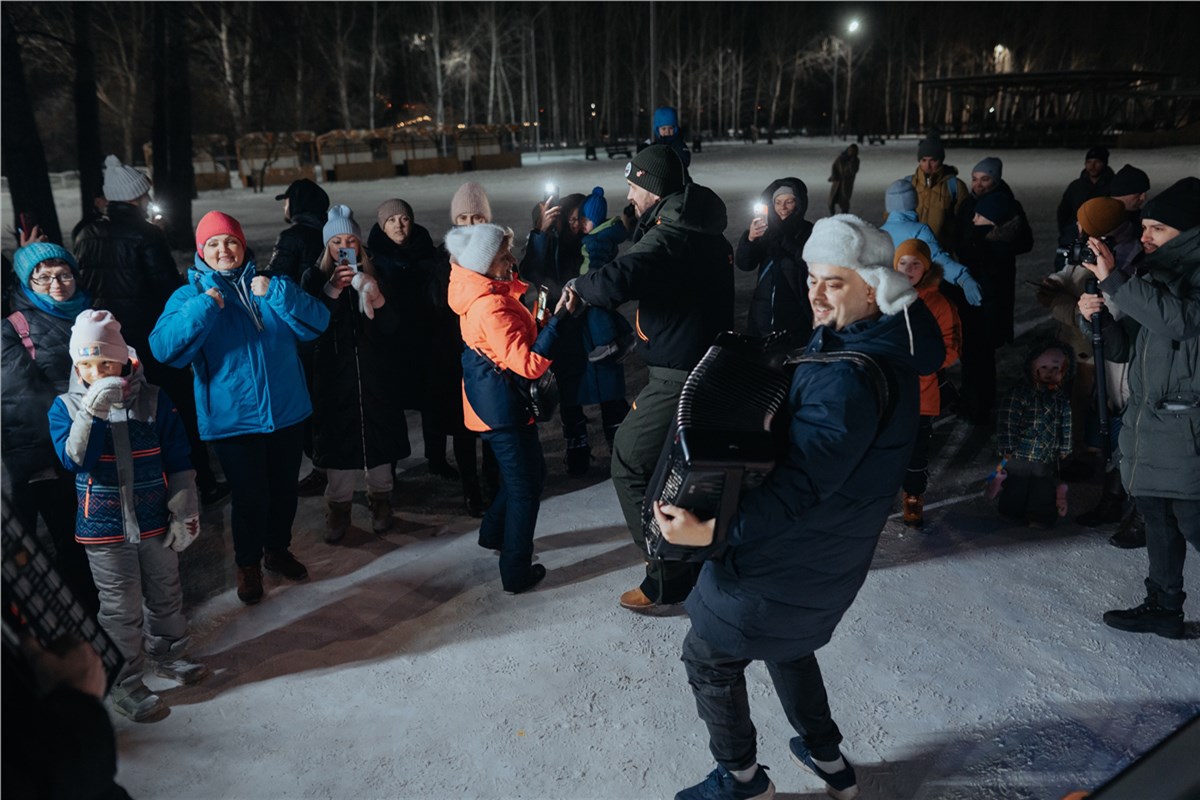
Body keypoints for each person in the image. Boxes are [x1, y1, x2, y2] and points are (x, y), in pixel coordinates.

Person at [656, 214, 944, 800]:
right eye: (812, 277)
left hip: (779, 564)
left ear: (873, 287)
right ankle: (828, 758)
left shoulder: (849, 380)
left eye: (832, 283)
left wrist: (710, 529)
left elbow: (801, 488)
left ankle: (741, 780)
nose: (814, 294)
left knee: (708, 659)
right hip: (823, 563)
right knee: (790, 646)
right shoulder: (874, 343)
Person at [570, 144, 734, 612]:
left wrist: (579, 287)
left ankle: (667, 573)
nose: (629, 193)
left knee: (630, 460)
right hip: (702, 364)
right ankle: (696, 559)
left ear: (652, 187)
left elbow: (621, 277)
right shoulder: (697, 226)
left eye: (633, 184)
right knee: (681, 470)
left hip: (679, 374)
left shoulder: (672, 234)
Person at [149, 212, 330, 605]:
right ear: (201, 252)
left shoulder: (272, 284)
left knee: (284, 492)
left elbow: (318, 323)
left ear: (242, 244)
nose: (223, 250)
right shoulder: (188, 296)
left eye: (229, 241)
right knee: (251, 498)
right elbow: (164, 349)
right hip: (233, 419)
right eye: (213, 244)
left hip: (286, 411)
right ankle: (247, 564)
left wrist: (279, 295)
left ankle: (277, 550)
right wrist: (205, 307)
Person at [47, 310, 209, 721]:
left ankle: (169, 653)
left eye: (105, 363)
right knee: (120, 608)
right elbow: (75, 461)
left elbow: (178, 456)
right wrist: (92, 413)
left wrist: (185, 504)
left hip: (155, 518)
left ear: (124, 359)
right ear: (75, 364)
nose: (95, 372)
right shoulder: (65, 406)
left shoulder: (153, 399)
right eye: (85, 364)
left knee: (166, 590)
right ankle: (126, 679)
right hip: (103, 528)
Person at [1077, 177, 1200, 639]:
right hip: (1153, 422)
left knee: (1192, 521)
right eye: (1145, 227)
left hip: (1189, 427)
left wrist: (1115, 279)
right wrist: (1102, 319)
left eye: (1157, 229)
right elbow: (1128, 346)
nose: (1145, 236)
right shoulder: (1156, 273)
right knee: (1157, 518)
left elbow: (1182, 322)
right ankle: (1163, 607)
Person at [73, 154, 228, 507]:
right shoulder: (146, 234)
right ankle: (201, 480)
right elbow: (166, 290)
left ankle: (142, 488)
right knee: (177, 408)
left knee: (125, 411)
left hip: (108, 342)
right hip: (149, 337)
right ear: (138, 196)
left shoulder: (86, 233)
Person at [446, 223, 578, 593]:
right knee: (524, 489)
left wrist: (541, 323)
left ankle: (492, 533)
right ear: (485, 263)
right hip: (500, 408)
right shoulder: (490, 305)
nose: (510, 259)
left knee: (529, 475)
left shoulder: (486, 292)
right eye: (503, 255)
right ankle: (515, 571)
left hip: (497, 402)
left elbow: (513, 346)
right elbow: (529, 364)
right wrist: (561, 323)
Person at [2, 243, 100, 615]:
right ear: (28, 283)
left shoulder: (91, 313)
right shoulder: (13, 329)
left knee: (96, 537)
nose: (56, 284)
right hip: (46, 453)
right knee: (70, 539)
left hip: (94, 443)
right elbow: (19, 399)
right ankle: (85, 622)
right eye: (42, 278)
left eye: (63, 274)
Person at [302, 205, 408, 541]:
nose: (344, 247)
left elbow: (394, 328)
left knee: (378, 442)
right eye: (336, 241)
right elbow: (309, 329)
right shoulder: (314, 278)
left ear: (359, 244)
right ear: (327, 247)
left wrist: (376, 298)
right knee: (338, 447)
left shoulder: (377, 274)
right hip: (334, 379)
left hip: (375, 376)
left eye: (350, 240)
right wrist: (331, 292)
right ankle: (339, 508)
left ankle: (381, 500)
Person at [520, 190, 630, 476]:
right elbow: (529, 270)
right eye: (569, 218)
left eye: (578, 218)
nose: (574, 224)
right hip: (564, 327)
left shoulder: (596, 243)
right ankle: (577, 452)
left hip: (596, 330)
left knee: (611, 392)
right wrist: (540, 232)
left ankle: (620, 453)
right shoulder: (552, 243)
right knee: (570, 395)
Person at [1038, 197, 1141, 478]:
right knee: (1078, 400)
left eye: (1082, 222)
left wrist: (1060, 305)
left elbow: (1105, 312)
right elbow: (1069, 271)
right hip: (1077, 340)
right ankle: (1083, 454)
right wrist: (1055, 282)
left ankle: (1094, 460)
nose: (1077, 226)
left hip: (1097, 350)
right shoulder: (1089, 248)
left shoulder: (1120, 259)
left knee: (1092, 403)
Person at [368, 198, 463, 482]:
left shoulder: (427, 251)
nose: (399, 225)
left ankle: (436, 458)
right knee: (392, 408)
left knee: (432, 403)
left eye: (404, 219)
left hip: (426, 339)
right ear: (382, 226)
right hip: (391, 344)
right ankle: (390, 468)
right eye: (392, 220)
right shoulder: (373, 258)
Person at [893, 239, 961, 528]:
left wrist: (923, 363)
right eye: (903, 263)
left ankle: (913, 495)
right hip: (888, 391)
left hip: (921, 392)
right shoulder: (883, 296)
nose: (909, 269)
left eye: (916, 263)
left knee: (916, 450)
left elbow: (952, 348)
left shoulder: (939, 303)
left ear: (927, 268)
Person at [444, 182, 502, 514]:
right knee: (463, 428)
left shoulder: (497, 250)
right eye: (463, 217)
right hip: (455, 353)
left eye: (477, 217)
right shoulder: (447, 255)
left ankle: (492, 482)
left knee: (492, 423)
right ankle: (471, 489)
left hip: (491, 354)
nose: (470, 224)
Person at [955, 189, 1022, 426]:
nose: (973, 219)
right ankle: (979, 403)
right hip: (986, 316)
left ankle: (977, 407)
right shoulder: (996, 242)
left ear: (992, 219)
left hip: (981, 316)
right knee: (981, 362)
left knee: (977, 362)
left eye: (979, 216)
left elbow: (987, 286)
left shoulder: (987, 246)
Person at [995, 340, 1074, 527]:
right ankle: (1010, 512)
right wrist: (1007, 445)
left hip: (1046, 454)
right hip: (1019, 452)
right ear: (1033, 367)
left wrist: (1065, 447)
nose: (1049, 372)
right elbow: (1008, 418)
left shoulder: (1061, 398)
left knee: (1043, 487)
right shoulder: (1020, 392)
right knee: (1016, 485)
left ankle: (1039, 516)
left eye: (1055, 367)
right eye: (1044, 367)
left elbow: (1066, 424)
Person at [881, 179, 983, 306]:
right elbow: (937, 257)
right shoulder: (919, 230)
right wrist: (963, 278)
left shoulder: (879, 233)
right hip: (916, 297)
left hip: (887, 299)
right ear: (914, 201)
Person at [735, 178, 814, 335]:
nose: (782, 208)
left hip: (797, 307)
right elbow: (745, 264)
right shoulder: (764, 230)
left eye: (789, 202)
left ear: (799, 203)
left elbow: (810, 264)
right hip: (763, 308)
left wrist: (784, 241)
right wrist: (750, 239)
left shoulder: (808, 231)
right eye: (777, 202)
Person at [956, 157, 1035, 258]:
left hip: (999, 269)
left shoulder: (1009, 205)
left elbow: (1025, 242)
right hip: (969, 268)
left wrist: (996, 245)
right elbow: (958, 236)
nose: (978, 184)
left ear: (996, 180)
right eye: (974, 179)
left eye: (985, 179)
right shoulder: (967, 204)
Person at [1055, 146, 1115, 267]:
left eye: (1097, 162)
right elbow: (1063, 212)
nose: (1092, 166)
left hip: (1100, 238)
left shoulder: (1113, 186)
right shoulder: (1076, 186)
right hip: (1073, 236)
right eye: (1089, 162)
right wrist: (1067, 231)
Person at [909, 135, 969, 252]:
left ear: (941, 160)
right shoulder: (909, 184)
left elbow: (964, 222)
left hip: (943, 251)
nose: (928, 165)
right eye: (924, 160)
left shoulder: (956, 187)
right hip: (913, 251)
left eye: (933, 160)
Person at [266, 178, 330, 283]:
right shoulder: (333, 231)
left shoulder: (290, 237)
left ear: (295, 203)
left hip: (300, 297)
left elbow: (274, 277)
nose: (284, 207)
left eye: (286, 202)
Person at [639, 106, 692, 173]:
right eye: (664, 129)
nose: (667, 131)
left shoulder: (678, 144)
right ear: (658, 130)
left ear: (675, 129)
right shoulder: (656, 145)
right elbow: (646, 160)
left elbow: (684, 160)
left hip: (678, 179)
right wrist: (642, 150)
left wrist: (668, 160)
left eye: (670, 128)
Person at [827, 144, 859, 215]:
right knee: (831, 200)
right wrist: (834, 176)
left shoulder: (855, 160)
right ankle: (832, 215)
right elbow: (834, 166)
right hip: (837, 182)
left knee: (844, 200)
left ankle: (844, 215)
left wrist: (852, 161)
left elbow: (854, 170)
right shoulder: (841, 158)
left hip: (846, 184)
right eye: (850, 150)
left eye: (853, 151)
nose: (851, 152)